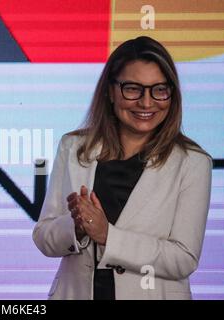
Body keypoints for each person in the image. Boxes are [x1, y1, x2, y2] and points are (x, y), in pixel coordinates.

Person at [33, 36, 212, 300]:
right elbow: (44, 236)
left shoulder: (193, 162)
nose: (147, 102)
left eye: (159, 89)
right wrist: (77, 227)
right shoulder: (73, 147)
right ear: (110, 90)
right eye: (133, 88)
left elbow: (183, 258)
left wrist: (108, 236)